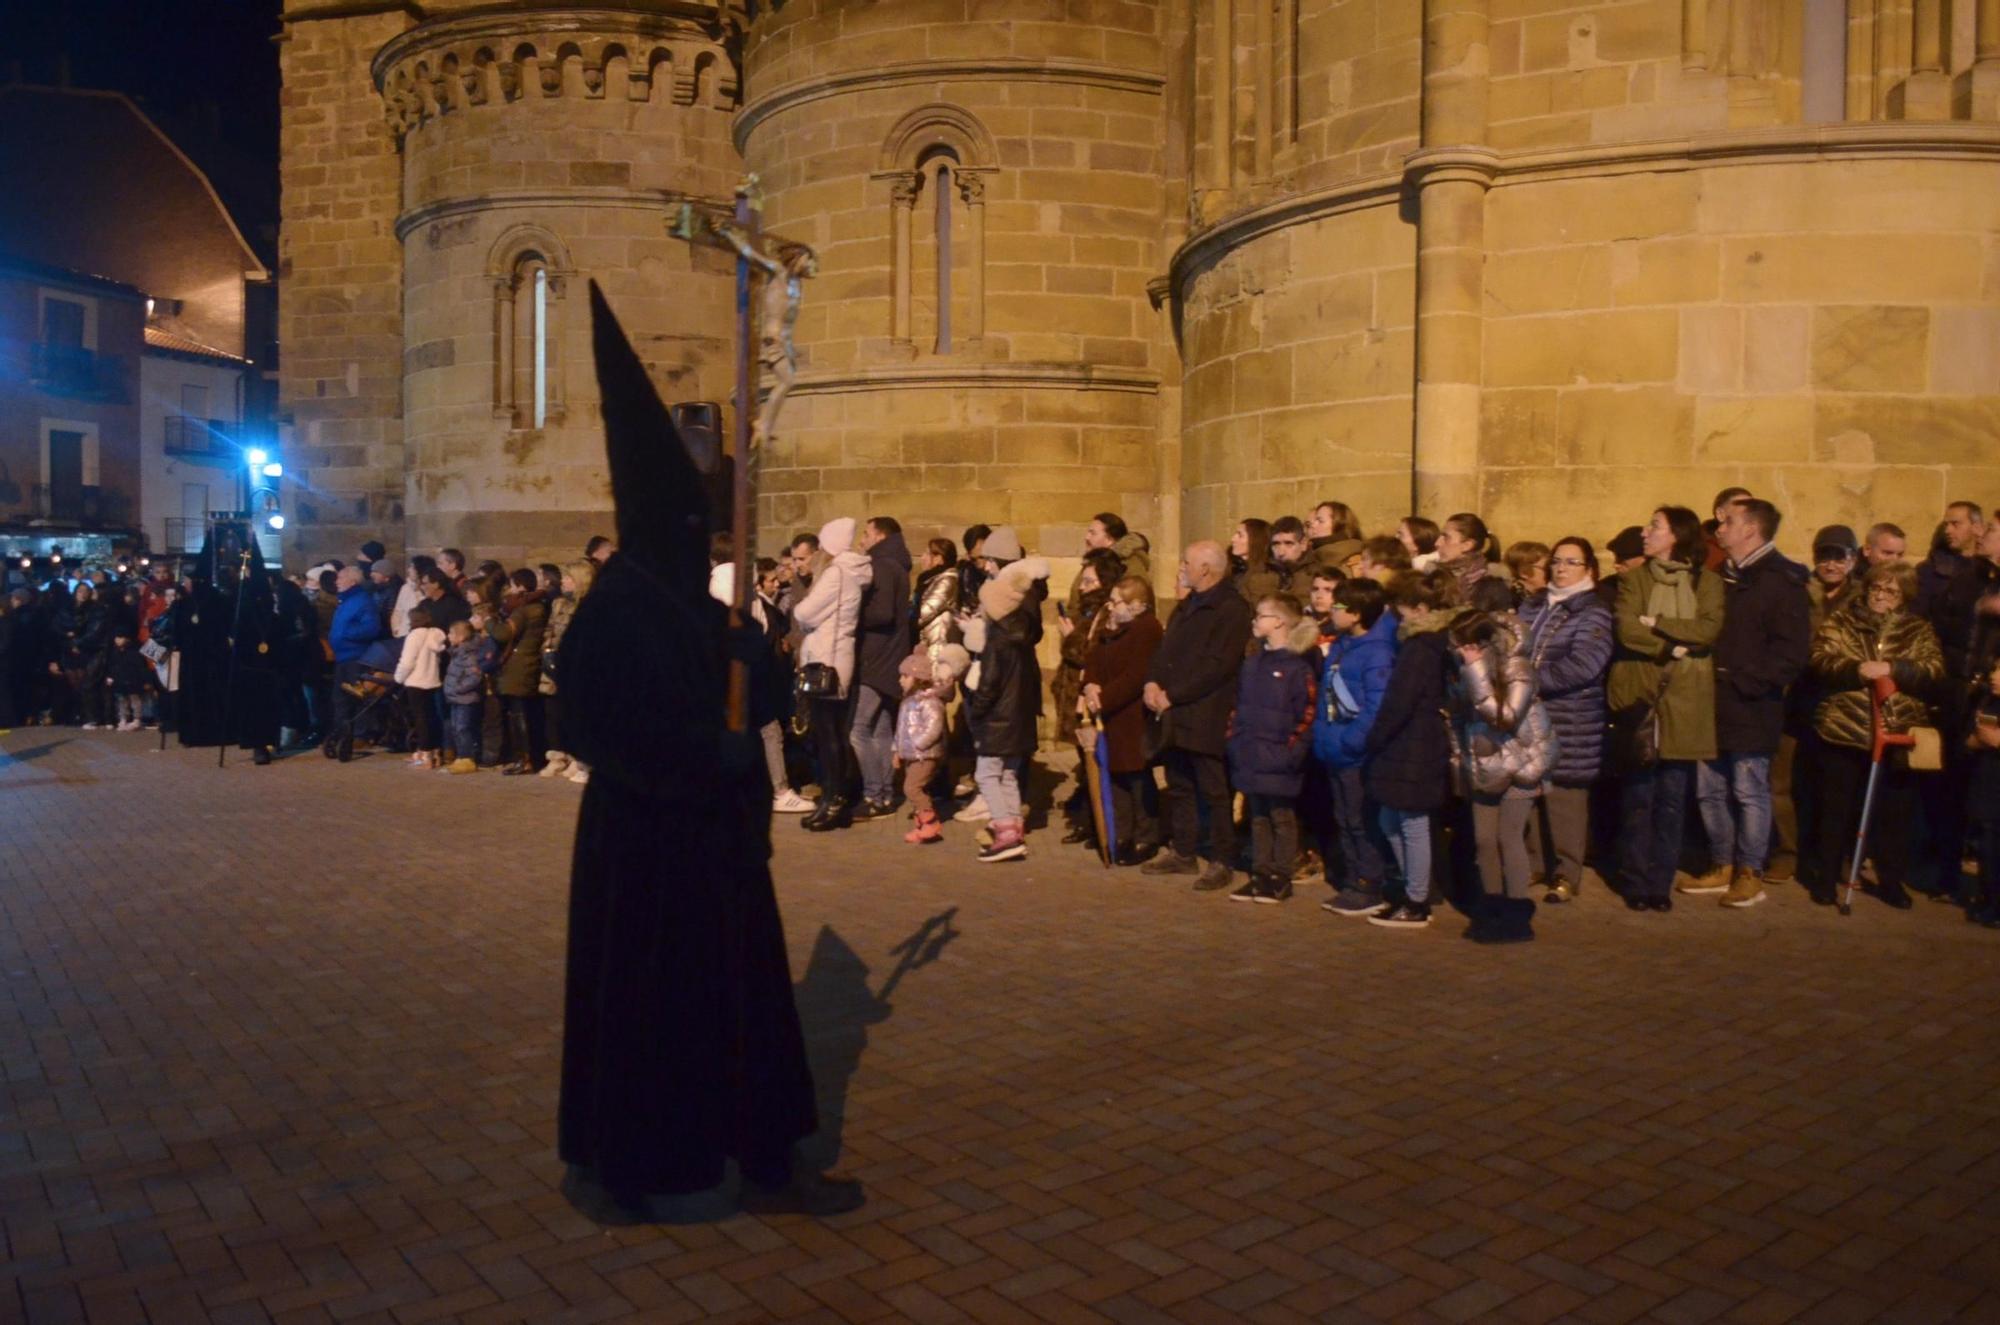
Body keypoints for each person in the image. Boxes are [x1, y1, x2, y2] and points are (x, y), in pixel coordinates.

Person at [556, 285, 847, 1220]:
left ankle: (767, 1156)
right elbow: (595, 728)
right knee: (651, 1007)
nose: (700, 543)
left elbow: (737, 699)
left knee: (747, 1003)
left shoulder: (690, 601)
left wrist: (752, 666)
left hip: (719, 842)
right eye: (689, 530)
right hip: (647, 846)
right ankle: (635, 1166)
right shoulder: (613, 610)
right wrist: (700, 755)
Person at [1695, 497, 1810, 911]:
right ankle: (1721, 861)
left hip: (1752, 704)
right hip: (1712, 703)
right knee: (1709, 788)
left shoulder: (1781, 582)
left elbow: (1791, 653)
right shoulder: (1719, 577)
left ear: (1750, 529)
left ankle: (1749, 870)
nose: (1718, 528)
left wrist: (1745, 681)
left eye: (1726, 522)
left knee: (1749, 789)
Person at [1807, 560, 1943, 909]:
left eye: (1891, 591)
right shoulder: (1842, 620)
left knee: (1896, 813)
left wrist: (1893, 668)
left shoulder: (1917, 629)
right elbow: (1820, 658)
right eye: (1876, 589)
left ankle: (1891, 880)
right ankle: (1825, 878)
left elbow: (1933, 669)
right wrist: (1856, 670)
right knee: (1836, 809)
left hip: (1897, 730)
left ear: (1904, 597)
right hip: (1846, 727)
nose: (1881, 597)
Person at [1610, 506, 1724, 912]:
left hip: (1687, 696)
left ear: (1676, 535)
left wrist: (1655, 620)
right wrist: (1669, 644)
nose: (1645, 532)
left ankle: (1659, 883)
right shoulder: (1634, 579)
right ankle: (1635, 881)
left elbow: (1708, 629)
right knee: (1639, 795)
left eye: (1654, 526)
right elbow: (1626, 628)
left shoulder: (1707, 582)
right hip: (1642, 694)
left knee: (1674, 798)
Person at [1141, 541, 1255, 892]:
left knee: (1214, 788)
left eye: (1187, 561)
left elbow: (1218, 665)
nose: (1183, 566)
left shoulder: (1232, 609)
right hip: (1173, 710)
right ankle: (1184, 850)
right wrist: (1152, 682)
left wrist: (1173, 695)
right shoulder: (1186, 606)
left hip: (1206, 710)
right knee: (1179, 782)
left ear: (1206, 569)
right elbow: (1165, 650)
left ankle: (1222, 857)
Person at [1362, 569, 1465, 929]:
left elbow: (1400, 701)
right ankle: (1413, 891)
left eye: (1401, 606)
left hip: (1415, 743)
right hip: (1409, 741)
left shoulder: (1422, 646)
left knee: (1411, 822)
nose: (1396, 613)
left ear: (1420, 608)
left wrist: (1375, 737)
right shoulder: (1423, 641)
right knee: (1392, 818)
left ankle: (1417, 899)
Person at [1448, 606, 1556, 942]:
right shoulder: (1464, 668)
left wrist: (1475, 670)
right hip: (1483, 765)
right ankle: (1490, 905)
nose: (1457, 652)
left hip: (1520, 764)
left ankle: (1517, 910)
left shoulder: (1516, 666)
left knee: (1509, 837)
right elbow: (1458, 716)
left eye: (1463, 645)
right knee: (1483, 840)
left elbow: (1506, 716)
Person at [1518, 537, 1614, 905]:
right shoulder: (1533, 605)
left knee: (1566, 797)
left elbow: (1585, 665)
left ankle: (1566, 872)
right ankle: (1535, 862)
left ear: (1588, 569)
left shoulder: (1593, 612)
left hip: (1571, 717)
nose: (1560, 568)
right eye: (1556, 561)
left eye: (1571, 562)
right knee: (1532, 789)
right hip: (1529, 715)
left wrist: (1528, 681)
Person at [1311, 577, 1399, 916]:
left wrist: (1351, 741)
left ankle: (1369, 883)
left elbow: (1376, 707)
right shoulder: (1342, 645)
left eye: (1339, 606)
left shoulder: (1377, 653)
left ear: (1358, 613)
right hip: (1333, 746)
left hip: (1353, 751)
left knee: (1361, 819)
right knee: (1344, 817)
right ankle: (1353, 877)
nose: (1332, 610)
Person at [1225, 594, 1321, 904]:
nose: (1255, 620)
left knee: (1281, 816)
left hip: (1279, 756)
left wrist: (1291, 752)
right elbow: (1238, 707)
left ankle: (1281, 874)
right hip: (1251, 752)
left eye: (1261, 615)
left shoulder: (1297, 667)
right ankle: (1260, 873)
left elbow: (1306, 714)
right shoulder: (1253, 664)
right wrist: (1235, 740)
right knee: (1258, 816)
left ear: (1279, 621)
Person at [964, 556, 1050, 863]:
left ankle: (1005, 831)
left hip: (999, 718)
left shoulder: (998, 642)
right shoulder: (1022, 640)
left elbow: (988, 685)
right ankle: (1014, 823)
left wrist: (977, 712)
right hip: (1019, 718)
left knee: (986, 773)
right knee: (1009, 774)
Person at [1081, 575, 1166, 864]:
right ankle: (1122, 831)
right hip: (1111, 715)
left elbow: (1135, 675)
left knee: (1138, 777)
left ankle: (1147, 834)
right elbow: (1094, 658)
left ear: (1138, 605)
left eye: (1118, 601)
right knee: (1116, 776)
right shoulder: (1112, 629)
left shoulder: (1147, 630)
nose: (1111, 606)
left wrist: (1102, 699)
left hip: (1132, 715)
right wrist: (1090, 684)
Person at [793, 516, 872, 831]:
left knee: (829, 735)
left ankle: (833, 800)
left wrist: (806, 615)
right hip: (835, 657)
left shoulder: (837, 573)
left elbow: (804, 612)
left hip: (827, 660)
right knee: (834, 733)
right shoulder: (849, 572)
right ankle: (834, 798)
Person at [849, 517, 913, 820]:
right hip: (889, 658)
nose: (862, 540)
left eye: (866, 533)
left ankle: (873, 795)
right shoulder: (896, 564)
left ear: (880, 536)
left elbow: (883, 612)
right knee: (880, 730)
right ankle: (885, 794)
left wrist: (854, 611)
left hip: (875, 659)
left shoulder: (883, 565)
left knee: (858, 729)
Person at [894, 645, 969, 845]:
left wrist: (918, 744)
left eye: (905, 676)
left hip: (925, 754)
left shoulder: (930, 701)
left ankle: (930, 822)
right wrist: (897, 749)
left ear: (918, 678)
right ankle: (922, 825)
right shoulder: (907, 701)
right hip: (912, 754)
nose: (901, 680)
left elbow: (934, 728)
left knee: (912, 788)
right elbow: (901, 728)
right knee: (915, 788)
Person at [485, 568, 549, 775]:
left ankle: (525, 759)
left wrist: (488, 621)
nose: (509, 591)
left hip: (519, 667)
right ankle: (528, 758)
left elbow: (503, 634)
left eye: (512, 586)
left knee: (519, 715)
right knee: (524, 714)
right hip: (525, 665)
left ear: (521, 586)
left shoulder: (524, 610)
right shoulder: (538, 606)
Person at [540, 559, 597, 784]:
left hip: (577, 666)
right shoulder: (559, 604)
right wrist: (547, 648)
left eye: (568, 577)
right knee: (554, 712)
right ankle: (559, 755)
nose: (563, 581)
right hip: (554, 664)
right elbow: (550, 628)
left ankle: (580, 758)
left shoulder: (590, 605)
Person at [1967, 656, 2000, 926]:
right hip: (1988, 789)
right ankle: (1988, 899)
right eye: (1995, 668)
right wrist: (1978, 739)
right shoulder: (1989, 701)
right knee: (1988, 847)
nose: (1995, 676)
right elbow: (1971, 740)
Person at [394, 600, 447, 769]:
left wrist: (398, 678)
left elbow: (407, 662)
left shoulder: (414, 636)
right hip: (432, 681)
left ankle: (425, 754)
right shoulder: (435, 634)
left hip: (416, 682)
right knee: (431, 717)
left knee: (420, 718)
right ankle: (436, 751)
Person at [1918, 501, 1983, 622]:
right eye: (1946, 525)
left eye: (1955, 524)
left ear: (1976, 527)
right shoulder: (1930, 571)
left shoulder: (1989, 568)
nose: (1947, 530)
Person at [442, 619, 485, 772]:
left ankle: (468, 758)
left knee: (463, 727)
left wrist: (459, 688)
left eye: (451, 633)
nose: (448, 636)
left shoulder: (468, 654)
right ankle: (461, 756)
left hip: (465, 698)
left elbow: (474, 677)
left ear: (460, 637)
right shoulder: (457, 653)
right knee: (456, 727)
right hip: (456, 697)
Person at [912, 537, 960, 662]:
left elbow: (924, 612)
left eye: (926, 553)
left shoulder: (947, 581)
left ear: (938, 558)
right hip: (926, 643)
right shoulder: (928, 580)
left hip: (937, 647)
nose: (922, 558)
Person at [103, 628, 153, 731]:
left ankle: (137, 719)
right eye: (116, 638)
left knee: (135, 700)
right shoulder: (114, 652)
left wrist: (146, 680)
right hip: (119, 680)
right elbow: (111, 666)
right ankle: (122, 719)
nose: (117, 640)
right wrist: (110, 677)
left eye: (120, 637)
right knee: (121, 701)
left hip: (133, 680)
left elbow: (141, 667)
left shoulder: (134, 651)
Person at [1434, 513, 1492, 598]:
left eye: (1446, 538)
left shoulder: (1489, 582)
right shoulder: (1433, 575)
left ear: (1466, 545)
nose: (1437, 543)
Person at [1230, 518, 1279, 604]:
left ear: (1255, 540)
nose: (1233, 539)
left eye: (1240, 535)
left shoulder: (1264, 576)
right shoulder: (1235, 568)